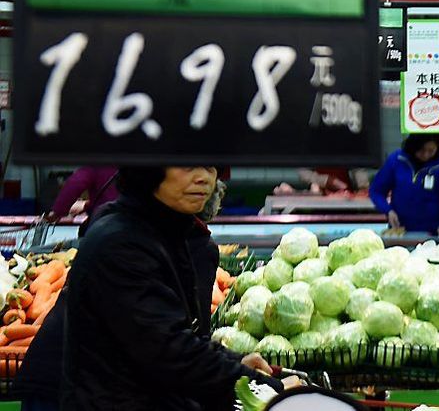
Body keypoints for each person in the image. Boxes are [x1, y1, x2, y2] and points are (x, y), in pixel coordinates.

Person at [61, 167, 283, 410]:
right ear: (150, 170)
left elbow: (179, 333)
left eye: (209, 166)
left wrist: (236, 362)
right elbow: (169, 351)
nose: (204, 178)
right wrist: (263, 387)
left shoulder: (164, 231)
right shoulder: (122, 244)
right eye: (187, 165)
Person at [16, 179, 231, 411]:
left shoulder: (114, 219)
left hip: (54, 370)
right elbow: (187, 335)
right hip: (75, 383)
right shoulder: (191, 244)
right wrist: (235, 372)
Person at [369, 134, 439, 235]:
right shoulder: (396, 160)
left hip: (433, 234)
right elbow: (376, 191)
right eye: (421, 150)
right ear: (412, 146)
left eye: (431, 151)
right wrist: (388, 211)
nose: (426, 155)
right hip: (400, 231)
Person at [46, 166, 119, 220]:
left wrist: (57, 213)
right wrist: (86, 205)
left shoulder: (97, 160)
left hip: (104, 222)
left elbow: (75, 184)